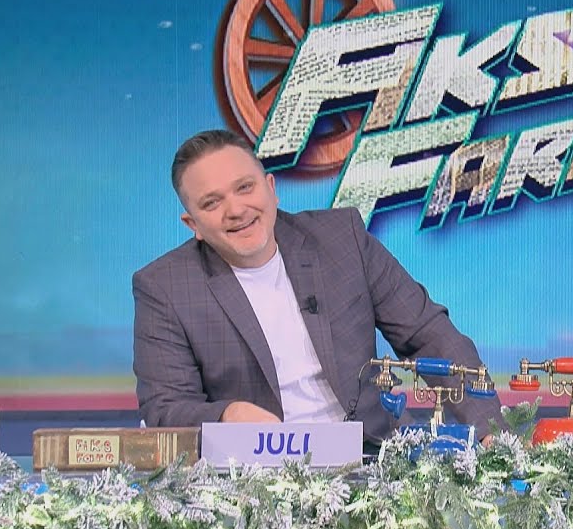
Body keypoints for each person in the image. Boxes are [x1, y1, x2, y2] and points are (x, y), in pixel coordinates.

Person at [132, 129, 502, 445]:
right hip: (257, 475)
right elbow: (165, 407)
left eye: (244, 188)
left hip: (374, 454)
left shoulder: (342, 239)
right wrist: (227, 416)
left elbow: (429, 334)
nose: (236, 210)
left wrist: (488, 430)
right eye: (212, 203)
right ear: (193, 224)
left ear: (271, 188)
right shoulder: (165, 288)